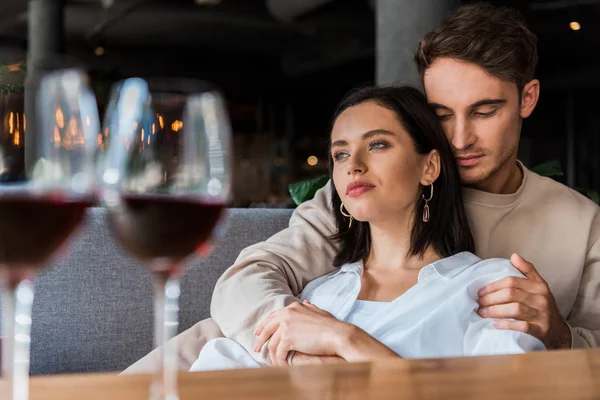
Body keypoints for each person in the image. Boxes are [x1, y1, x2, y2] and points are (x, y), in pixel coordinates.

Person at [122, 3, 599, 373]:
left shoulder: (581, 225)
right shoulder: (361, 197)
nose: (459, 139)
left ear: (527, 99)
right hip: (244, 361)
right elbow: (247, 279)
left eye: (485, 111)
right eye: (440, 115)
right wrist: (305, 345)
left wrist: (558, 336)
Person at [189, 85, 545, 371]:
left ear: (430, 167)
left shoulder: (492, 287)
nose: (353, 166)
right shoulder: (315, 296)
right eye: (340, 154)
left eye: (377, 144)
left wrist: (346, 339)